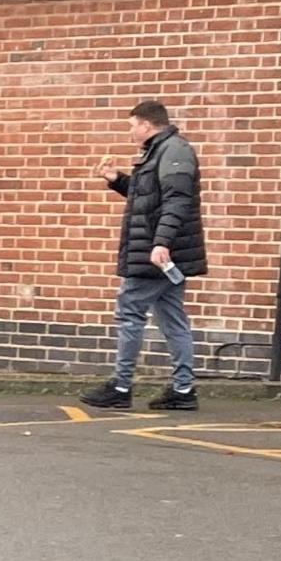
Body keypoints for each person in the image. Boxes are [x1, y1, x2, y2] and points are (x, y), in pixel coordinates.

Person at [85, 98, 206, 411]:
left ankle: (121, 386)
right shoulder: (160, 152)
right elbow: (149, 199)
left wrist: (161, 243)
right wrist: (119, 181)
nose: (131, 132)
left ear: (147, 125)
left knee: (129, 311)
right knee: (172, 318)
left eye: (132, 126)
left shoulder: (174, 151)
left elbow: (177, 201)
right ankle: (183, 390)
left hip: (156, 254)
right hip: (160, 253)